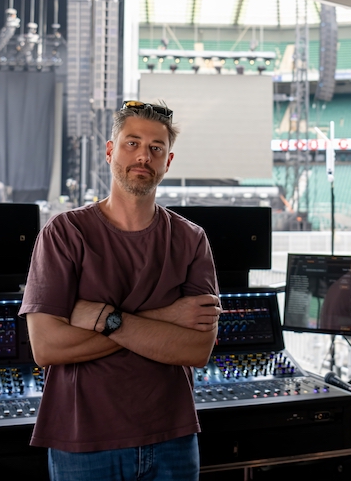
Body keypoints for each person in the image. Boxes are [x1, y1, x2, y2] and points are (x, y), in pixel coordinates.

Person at [20, 100, 222, 481]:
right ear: (110, 150)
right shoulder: (65, 233)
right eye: (132, 143)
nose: (143, 156)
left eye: (156, 148)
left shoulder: (191, 239)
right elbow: (47, 347)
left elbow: (196, 349)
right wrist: (165, 317)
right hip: (84, 442)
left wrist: (99, 318)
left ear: (168, 161)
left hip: (173, 437)